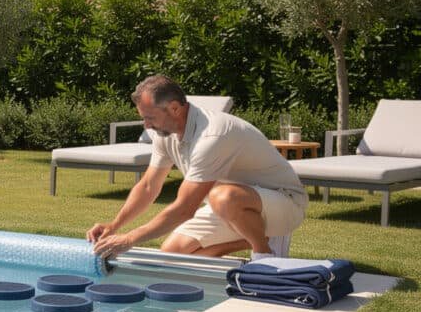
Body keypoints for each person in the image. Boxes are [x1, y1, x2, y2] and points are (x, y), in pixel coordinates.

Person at [88, 75, 307, 261]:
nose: (146, 125)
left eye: (150, 118)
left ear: (174, 108)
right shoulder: (165, 135)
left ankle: (263, 256)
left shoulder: (212, 135)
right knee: (172, 256)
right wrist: (114, 226)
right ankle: (248, 238)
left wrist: (130, 238)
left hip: (284, 204)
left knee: (224, 196)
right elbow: (148, 187)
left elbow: (185, 208)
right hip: (228, 206)